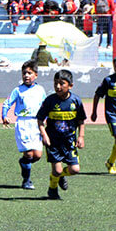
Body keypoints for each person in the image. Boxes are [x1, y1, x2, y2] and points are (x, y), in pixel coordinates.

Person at [36, 69, 86, 200]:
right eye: (56, 83)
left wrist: (81, 136)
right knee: (56, 170)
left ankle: (60, 176)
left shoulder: (76, 101)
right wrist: (44, 135)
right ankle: (52, 189)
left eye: (62, 83)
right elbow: (40, 119)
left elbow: (81, 120)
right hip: (53, 141)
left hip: (69, 141)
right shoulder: (50, 101)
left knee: (75, 169)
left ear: (70, 85)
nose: (58, 86)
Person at [2, 60, 47, 189]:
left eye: (29, 73)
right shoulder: (18, 90)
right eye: (24, 73)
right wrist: (4, 116)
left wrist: (48, 119)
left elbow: (45, 106)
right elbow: (7, 103)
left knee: (37, 155)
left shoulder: (40, 90)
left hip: (37, 124)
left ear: (36, 75)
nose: (26, 75)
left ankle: (24, 162)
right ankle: (26, 180)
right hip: (23, 123)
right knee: (28, 153)